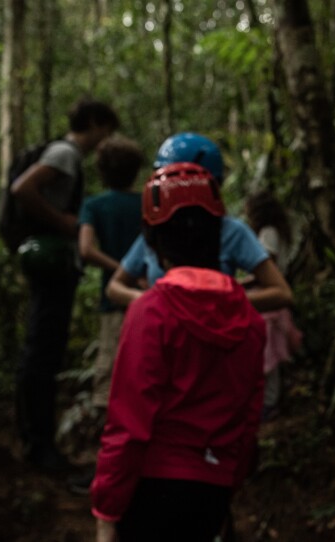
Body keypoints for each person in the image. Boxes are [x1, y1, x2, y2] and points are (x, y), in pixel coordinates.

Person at [90, 162, 265, 541]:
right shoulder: (251, 321)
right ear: (218, 233)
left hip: (151, 489)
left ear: (151, 242)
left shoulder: (151, 312)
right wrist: (226, 486)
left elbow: (128, 425)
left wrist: (106, 509)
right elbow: (248, 420)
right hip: (212, 489)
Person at [11, 98, 119, 470]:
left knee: (41, 349)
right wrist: (64, 223)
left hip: (52, 261)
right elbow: (23, 189)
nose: (106, 139)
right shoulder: (65, 153)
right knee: (42, 351)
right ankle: (38, 446)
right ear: (93, 122)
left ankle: (36, 439)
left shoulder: (64, 154)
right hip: (51, 262)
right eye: (106, 129)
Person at [105, 132, 292, 313]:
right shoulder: (158, 229)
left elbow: (281, 293)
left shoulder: (230, 231)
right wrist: (151, 302)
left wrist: (218, 305)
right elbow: (115, 286)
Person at [78, 135, 144, 415]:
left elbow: (86, 249)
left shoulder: (94, 205)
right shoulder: (149, 202)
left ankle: (110, 444)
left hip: (115, 299)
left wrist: (119, 271)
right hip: (150, 293)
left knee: (110, 375)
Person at [244, 189, 302, 419]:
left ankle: (269, 403)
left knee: (268, 354)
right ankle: (269, 400)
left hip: (269, 299)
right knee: (271, 352)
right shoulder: (278, 232)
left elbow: (267, 270)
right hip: (275, 297)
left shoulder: (268, 233)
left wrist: (241, 284)